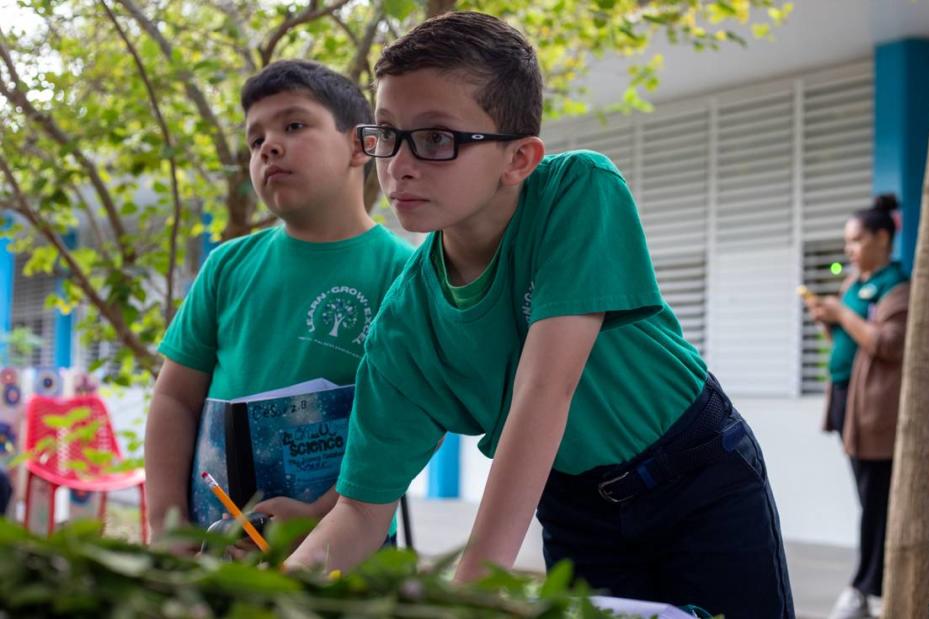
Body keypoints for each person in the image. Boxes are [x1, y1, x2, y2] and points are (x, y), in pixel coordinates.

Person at [285, 11, 795, 618]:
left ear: (519, 158)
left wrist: (467, 593)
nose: (398, 164)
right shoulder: (403, 326)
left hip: (697, 477)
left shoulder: (577, 192)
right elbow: (362, 511)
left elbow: (545, 389)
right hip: (575, 506)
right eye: (387, 135)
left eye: (437, 138)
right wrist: (273, 594)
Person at [144, 60, 413, 540]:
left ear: (359, 145)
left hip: (345, 550)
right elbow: (173, 399)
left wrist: (318, 515)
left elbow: (405, 431)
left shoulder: (402, 274)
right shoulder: (227, 267)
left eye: (294, 125)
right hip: (214, 548)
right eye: (254, 140)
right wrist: (167, 529)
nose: (268, 146)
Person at [805, 195, 909, 619]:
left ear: (882, 238)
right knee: (869, 498)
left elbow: (885, 344)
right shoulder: (853, 283)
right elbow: (849, 343)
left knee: (877, 499)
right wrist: (830, 320)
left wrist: (842, 317)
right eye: (846, 242)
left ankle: (866, 588)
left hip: (877, 411)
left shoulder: (897, 286)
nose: (849, 250)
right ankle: (869, 586)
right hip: (849, 403)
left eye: (856, 240)